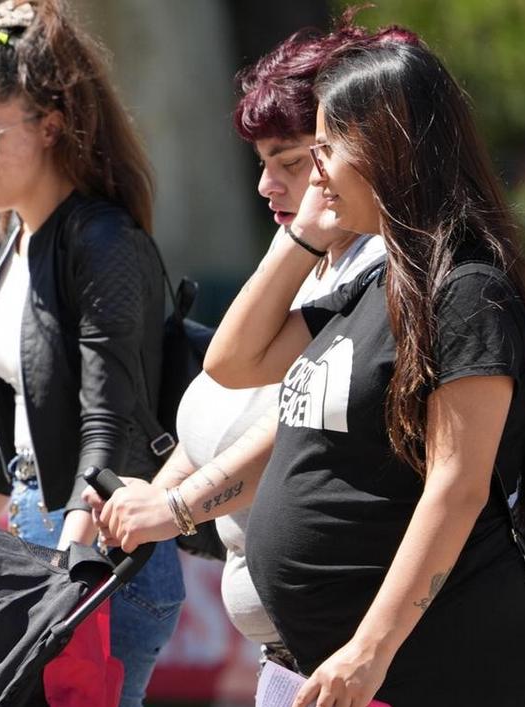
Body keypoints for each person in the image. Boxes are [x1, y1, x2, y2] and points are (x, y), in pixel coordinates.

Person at [91, 37, 525, 707]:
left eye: (323, 152)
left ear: (390, 151)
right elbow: (234, 359)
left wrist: (368, 652)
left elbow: (456, 489)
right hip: (326, 673)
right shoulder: (375, 284)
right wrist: (305, 235)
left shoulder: (467, 291)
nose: (313, 178)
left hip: (427, 677)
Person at [0, 1, 184, 707]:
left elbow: (113, 418)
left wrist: (74, 561)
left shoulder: (102, 241)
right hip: (42, 533)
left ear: (49, 124)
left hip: (100, 550)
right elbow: (20, 415)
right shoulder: (15, 233)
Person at [152, 17, 406, 673]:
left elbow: (285, 421)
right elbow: (227, 379)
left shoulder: (377, 268)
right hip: (291, 645)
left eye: (293, 163)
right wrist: (154, 495)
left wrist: (173, 511)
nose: (269, 187)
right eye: (263, 164)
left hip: (353, 647)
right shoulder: (305, 244)